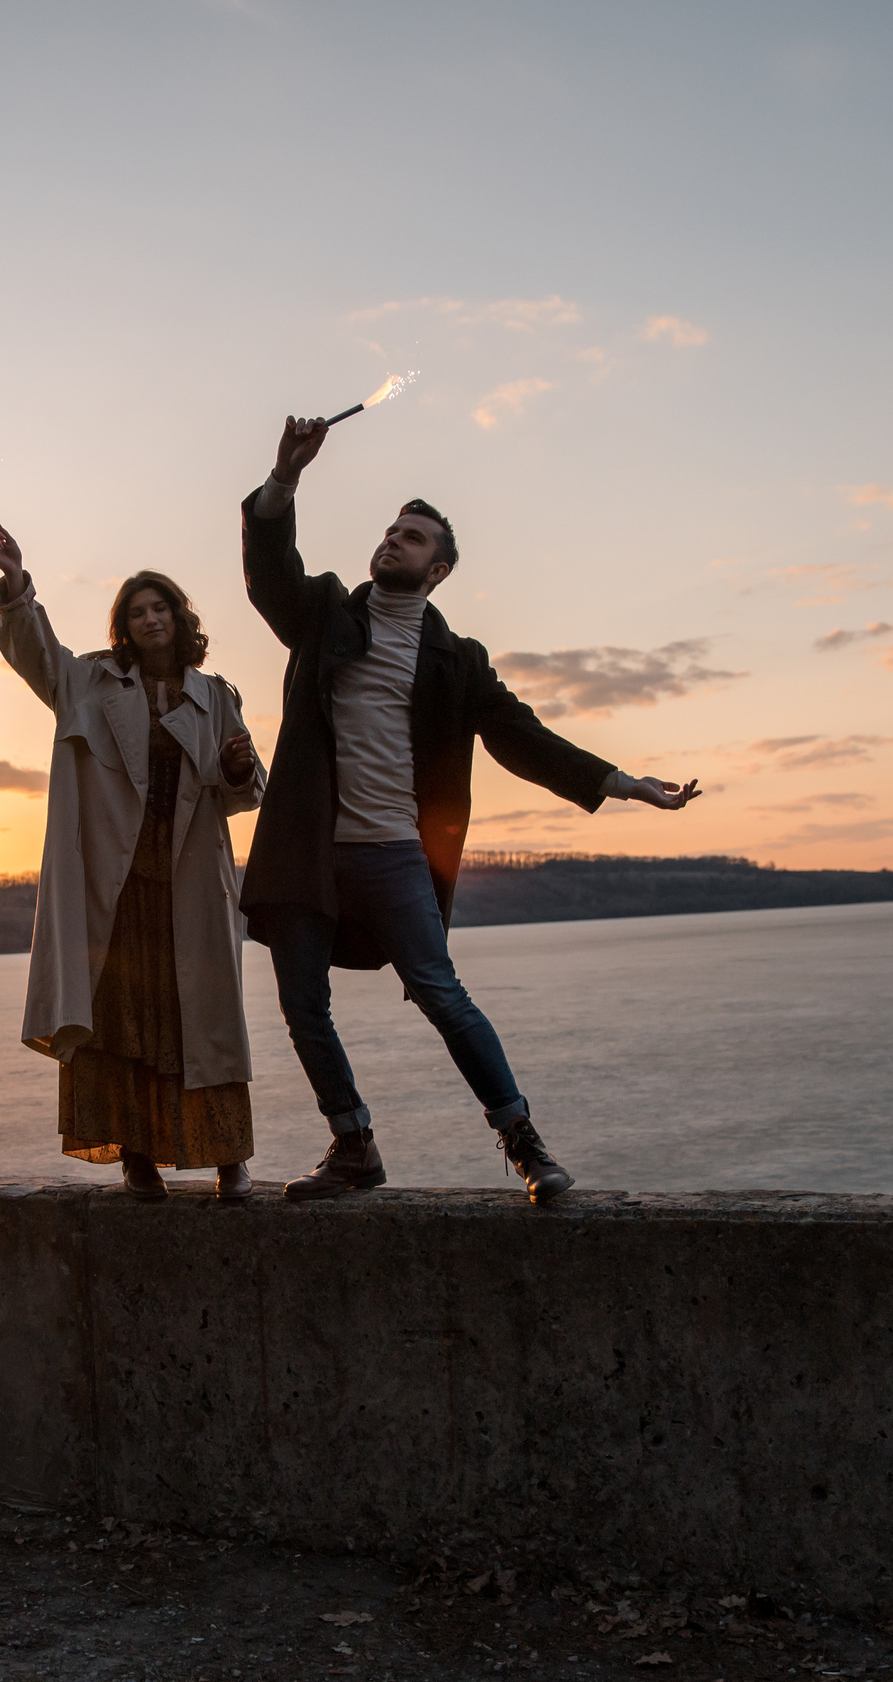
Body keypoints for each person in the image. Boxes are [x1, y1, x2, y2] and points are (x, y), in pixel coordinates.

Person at [238, 415, 702, 1204]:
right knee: (301, 1007)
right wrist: (285, 477)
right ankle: (353, 1145)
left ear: (439, 569)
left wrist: (623, 783)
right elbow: (268, 573)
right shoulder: (323, 615)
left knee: (440, 992)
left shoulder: (459, 660)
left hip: (393, 855)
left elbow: (523, 738)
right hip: (307, 853)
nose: (394, 541)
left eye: (413, 537)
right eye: (391, 530)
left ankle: (523, 1142)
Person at [0, 521, 268, 1199]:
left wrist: (238, 765)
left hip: (190, 889)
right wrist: (18, 583)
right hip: (112, 890)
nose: (149, 619)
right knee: (120, 1022)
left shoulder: (217, 695)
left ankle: (230, 1159)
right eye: (137, 612)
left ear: (179, 618)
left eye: (160, 607)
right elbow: (36, 654)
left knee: (201, 1021)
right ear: (125, 627)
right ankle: (135, 1159)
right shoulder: (88, 682)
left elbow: (245, 792)